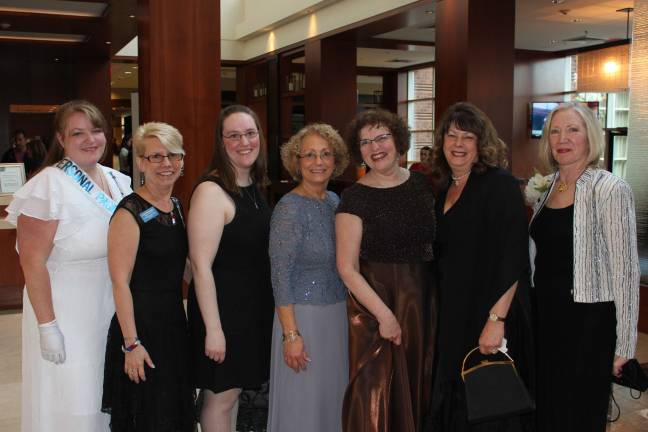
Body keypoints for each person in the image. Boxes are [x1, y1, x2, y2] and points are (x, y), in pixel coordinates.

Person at [5, 100, 131, 431]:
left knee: (105, 399)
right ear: (61, 139)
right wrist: (48, 328)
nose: (90, 139)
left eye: (96, 130)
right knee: (74, 401)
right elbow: (32, 261)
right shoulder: (47, 186)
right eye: (78, 133)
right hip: (66, 313)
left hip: (109, 306)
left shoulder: (118, 180)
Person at [529, 102, 639, 431]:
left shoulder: (610, 189)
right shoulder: (546, 187)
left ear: (589, 137)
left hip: (588, 324)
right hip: (545, 318)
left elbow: (627, 272)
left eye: (572, 130)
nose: (563, 138)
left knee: (580, 413)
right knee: (547, 408)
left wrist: (625, 345)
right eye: (555, 131)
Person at [427, 102, 533, 431]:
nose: (458, 144)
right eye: (452, 135)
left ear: (481, 143)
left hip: (489, 311)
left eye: (468, 137)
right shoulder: (444, 187)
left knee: (487, 404)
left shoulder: (499, 184)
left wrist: (496, 320)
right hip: (454, 313)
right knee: (455, 396)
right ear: (442, 140)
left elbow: (513, 256)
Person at [336, 109, 436, 432]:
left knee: (418, 386)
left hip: (421, 303)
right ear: (358, 150)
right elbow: (347, 268)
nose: (375, 147)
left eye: (382, 137)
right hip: (374, 306)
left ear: (398, 140)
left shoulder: (424, 185)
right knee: (376, 395)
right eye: (365, 142)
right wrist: (385, 316)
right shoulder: (353, 198)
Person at [101, 122, 195, 431]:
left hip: (173, 327)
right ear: (140, 162)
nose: (167, 164)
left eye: (173, 155)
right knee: (147, 416)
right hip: (140, 330)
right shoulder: (128, 213)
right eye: (156, 157)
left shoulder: (176, 207)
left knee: (172, 411)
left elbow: (181, 266)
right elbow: (120, 283)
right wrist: (131, 344)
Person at [187, 105, 274, 432]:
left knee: (232, 396)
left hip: (248, 313)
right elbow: (199, 266)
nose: (244, 142)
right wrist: (214, 329)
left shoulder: (251, 186)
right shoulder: (212, 191)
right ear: (220, 142)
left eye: (250, 134)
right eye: (233, 135)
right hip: (222, 316)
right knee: (220, 399)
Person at [267, 123, 350, 432]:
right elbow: (280, 276)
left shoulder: (333, 202)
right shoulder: (288, 208)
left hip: (336, 315)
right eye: (310, 155)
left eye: (326, 154)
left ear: (336, 160)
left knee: (331, 401)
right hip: (301, 320)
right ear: (297, 161)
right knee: (303, 406)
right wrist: (291, 335)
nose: (318, 162)